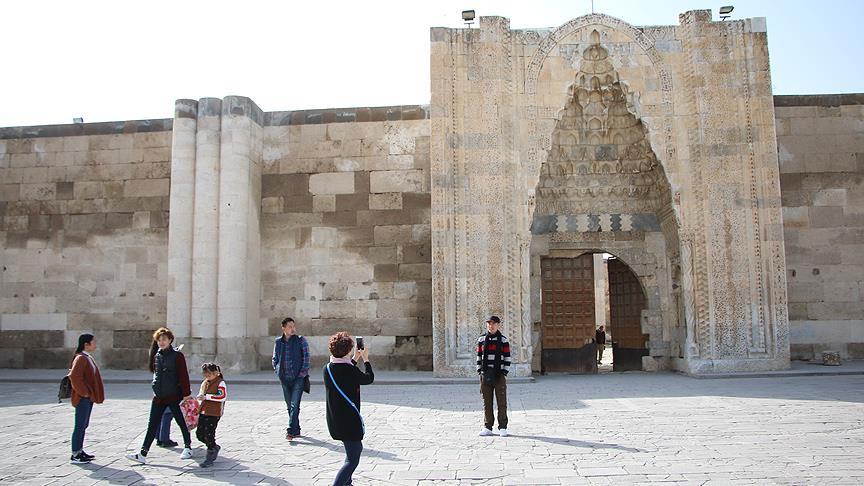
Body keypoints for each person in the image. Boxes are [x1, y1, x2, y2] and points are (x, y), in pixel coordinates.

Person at [126, 327, 193, 464]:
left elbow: (183, 375)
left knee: (181, 421)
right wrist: (155, 388)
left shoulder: (177, 356)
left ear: (170, 340)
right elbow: (156, 374)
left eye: (164, 339)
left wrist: (186, 394)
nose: (161, 342)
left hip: (173, 395)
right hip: (159, 396)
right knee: (152, 424)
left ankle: (188, 447)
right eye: (159, 340)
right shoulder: (157, 355)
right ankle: (143, 453)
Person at [323, 332, 374, 486]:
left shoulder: (328, 369)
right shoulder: (350, 371)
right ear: (347, 351)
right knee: (353, 458)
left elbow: (343, 371)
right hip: (349, 421)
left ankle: (347, 483)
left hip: (335, 419)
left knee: (352, 452)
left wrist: (355, 358)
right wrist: (366, 359)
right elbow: (368, 378)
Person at [69, 333, 105, 464]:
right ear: (86, 344)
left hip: (88, 398)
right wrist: (84, 393)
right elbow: (74, 376)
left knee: (84, 424)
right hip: (82, 398)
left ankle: (80, 451)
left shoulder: (87, 357)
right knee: (79, 425)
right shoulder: (81, 358)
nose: (95, 344)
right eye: (93, 342)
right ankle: (75, 454)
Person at [272, 317, 310, 441]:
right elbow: (275, 358)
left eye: (294, 326)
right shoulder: (278, 342)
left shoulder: (301, 340)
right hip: (284, 378)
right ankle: (296, 429)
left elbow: (306, 357)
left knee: (295, 405)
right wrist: (277, 370)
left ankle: (291, 431)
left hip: (298, 378)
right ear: (283, 328)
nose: (293, 329)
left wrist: (302, 373)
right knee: (289, 405)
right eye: (290, 327)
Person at [476, 315, 511, 437]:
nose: (491, 326)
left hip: (498, 374)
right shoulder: (481, 339)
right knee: (487, 402)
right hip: (485, 374)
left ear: (498, 325)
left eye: (493, 324)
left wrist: (504, 372)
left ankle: (503, 427)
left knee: (501, 402)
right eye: (489, 324)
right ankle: (488, 427)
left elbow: (507, 357)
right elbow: (479, 356)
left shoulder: (503, 340)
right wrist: (480, 370)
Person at [196, 363, 227, 468]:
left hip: (214, 412)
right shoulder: (205, 382)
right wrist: (200, 396)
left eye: (209, 374)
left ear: (216, 373)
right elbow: (202, 392)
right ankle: (214, 446)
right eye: (205, 375)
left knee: (209, 433)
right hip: (204, 410)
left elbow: (222, 396)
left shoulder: (220, 383)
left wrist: (207, 397)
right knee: (200, 434)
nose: (207, 377)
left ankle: (210, 454)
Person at [156, 342, 185, 448]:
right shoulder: (169, 360)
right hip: (170, 392)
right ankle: (164, 439)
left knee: (161, 414)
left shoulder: (159, 357)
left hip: (160, 391)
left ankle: (158, 437)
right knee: (167, 415)